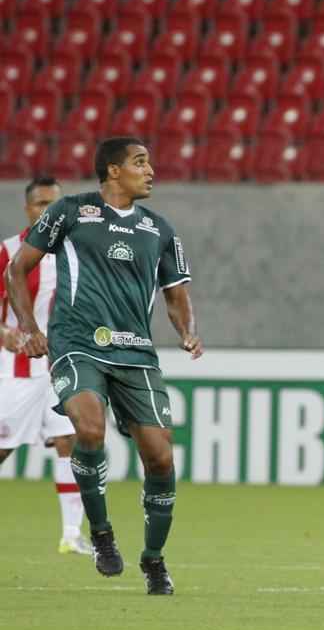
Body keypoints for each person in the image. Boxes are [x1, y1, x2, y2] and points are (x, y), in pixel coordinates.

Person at [6, 137, 203, 595]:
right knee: (88, 430)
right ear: (113, 171)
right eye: (140, 163)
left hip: (135, 352)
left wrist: (186, 330)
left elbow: (176, 295)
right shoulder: (70, 212)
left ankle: (154, 560)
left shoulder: (161, 229)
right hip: (77, 343)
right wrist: (31, 327)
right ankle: (100, 533)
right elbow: (18, 268)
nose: (150, 170)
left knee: (160, 455)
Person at [0, 177, 89, 557]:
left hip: (59, 370)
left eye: (53, 203)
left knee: (72, 442)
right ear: (27, 208)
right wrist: (4, 332)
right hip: (14, 369)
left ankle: (71, 534)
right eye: (40, 203)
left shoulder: (75, 252)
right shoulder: (8, 251)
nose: (46, 210)